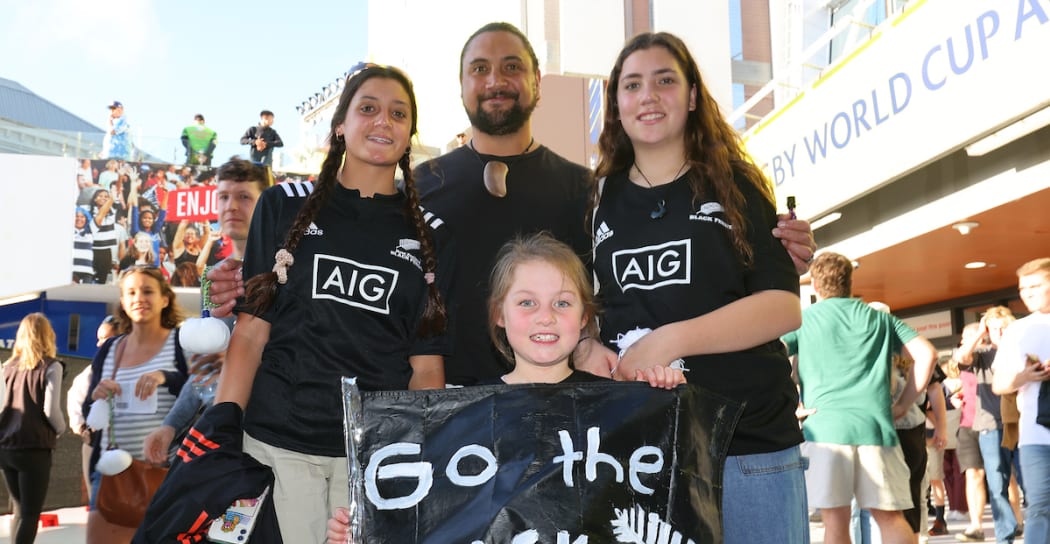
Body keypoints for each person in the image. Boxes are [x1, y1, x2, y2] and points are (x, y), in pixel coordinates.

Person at [204, 22, 818, 380]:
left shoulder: (591, 191)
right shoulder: (416, 189)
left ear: (535, 83)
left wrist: (772, 249)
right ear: (463, 85)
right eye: (480, 69)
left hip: (563, 424)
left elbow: (622, 293)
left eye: (511, 67)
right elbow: (334, 252)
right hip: (447, 422)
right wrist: (232, 284)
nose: (495, 80)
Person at [211, 64, 453, 544]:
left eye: (398, 113)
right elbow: (250, 332)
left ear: (410, 134)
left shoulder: (429, 233)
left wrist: (424, 468)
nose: (383, 121)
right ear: (340, 125)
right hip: (278, 447)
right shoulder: (283, 205)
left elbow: (426, 367)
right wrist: (220, 431)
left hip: (368, 460)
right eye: (368, 108)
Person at [585, 31, 810, 544]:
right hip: (645, 457)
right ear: (616, 104)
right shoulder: (598, 200)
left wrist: (671, 339)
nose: (647, 95)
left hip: (749, 447)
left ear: (690, 97)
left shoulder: (734, 182)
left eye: (664, 80)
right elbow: (586, 314)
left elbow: (782, 304)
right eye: (632, 84)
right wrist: (586, 352)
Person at [326, 231, 684, 544]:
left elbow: (662, 501)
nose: (546, 317)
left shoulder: (618, 408)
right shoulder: (462, 416)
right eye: (527, 303)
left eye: (562, 303)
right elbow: (435, 521)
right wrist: (371, 534)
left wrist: (670, 404)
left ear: (584, 316)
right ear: (499, 314)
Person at [783, 252, 937, 544]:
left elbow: (772, 357)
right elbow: (926, 354)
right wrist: (904, 404)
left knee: (836, 522)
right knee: (890, 517)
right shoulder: (880, 318)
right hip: (876, 428)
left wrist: (792, 404)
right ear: (851, 283)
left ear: (815, 287)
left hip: (825, 427)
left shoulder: (804, 319)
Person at [77, 267, 188, 544]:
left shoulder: (181, 344)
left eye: (147, 290)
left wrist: (166, 379)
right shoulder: (111, 348)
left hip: (170, 479)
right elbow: (92, 402)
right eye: (130, 292)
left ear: (164, 298)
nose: (139, 297)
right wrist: (99, 392)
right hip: (114, 478)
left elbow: (205, 392)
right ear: (122, 302)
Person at [142, 157, 272, 462]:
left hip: (271, 439)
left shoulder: (283, 272)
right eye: (224, 196)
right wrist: (170, 426)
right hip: (221, 438)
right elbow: (205, 373)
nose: (231, 206)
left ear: (266, 204)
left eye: (244, 197)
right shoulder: (213, 278)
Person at [987, 257, 1050, 544]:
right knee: (1039, 505)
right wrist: (1025, 376)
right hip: (1035, 433)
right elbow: (999, 384)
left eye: (1036, 286)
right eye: (1023, 289)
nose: (1027, 294)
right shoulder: (1017, 330)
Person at [1, 313, 65, 544]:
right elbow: (51, 411)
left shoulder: (6, 367)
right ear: (47, 335)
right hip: (34, 447)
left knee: (19, 509)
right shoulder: (51, 367)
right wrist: (61, 430)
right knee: (30, 513)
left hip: (5, 446)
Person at [954, 306, 1019, 544]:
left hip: (1024, 424)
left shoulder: (1022, 352)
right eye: (994, 329)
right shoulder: (982, 355)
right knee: (997, 482)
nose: (999, 333)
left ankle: (1027, 527)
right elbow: (961, 358)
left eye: (1003, 327)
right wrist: (979, 333)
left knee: (1028, 482)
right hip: (990, 426)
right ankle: (1004, 538)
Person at [66, 316, 123, 544]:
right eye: (99, 337)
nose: (100, 343)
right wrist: (84, 430)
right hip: (96, 448)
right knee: (96, 508)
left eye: (106, 337)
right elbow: (75, 411)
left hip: (130, 449)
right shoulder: (86, 375)